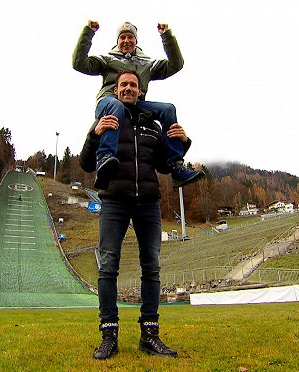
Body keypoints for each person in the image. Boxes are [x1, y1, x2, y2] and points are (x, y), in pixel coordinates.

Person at [79, 71, 187, 360]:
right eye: (123, 84)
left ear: (141, 92)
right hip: (114, 200)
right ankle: (108, 334)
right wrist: (94, 133)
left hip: (148, 203)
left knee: (151, 267)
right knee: (107, 267)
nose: (128, 88)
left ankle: (149, 335)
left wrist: (183, 141)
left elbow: (165, 166)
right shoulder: (107, 118)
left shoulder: (153, 124)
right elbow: (85, 162)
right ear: (116, 90)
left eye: (133, 86)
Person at [73, 20, 204, 190]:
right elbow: (79, 63)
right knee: (116, 105)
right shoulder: (107, 59)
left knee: (168, 109)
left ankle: (176, 167)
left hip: (137, 105)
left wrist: (167, 37)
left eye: (130, 37)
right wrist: (88, 33)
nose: (126, 41)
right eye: (122, 37)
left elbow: (175, 64)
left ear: (136, 41)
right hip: (109, 102)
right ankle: (105, 156)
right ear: (117, 41)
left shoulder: (146, 64)